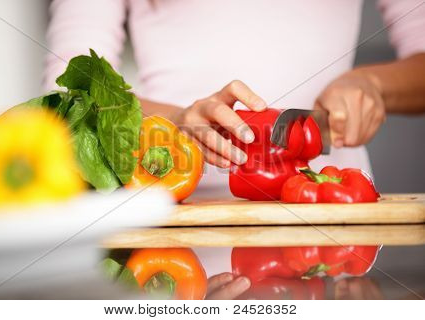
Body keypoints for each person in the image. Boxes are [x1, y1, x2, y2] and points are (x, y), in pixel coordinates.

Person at [44, 0, 425, 299]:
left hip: (333, 225)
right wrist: (176, 120)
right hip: (168, 226)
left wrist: (372, 82)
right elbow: (68, 88)